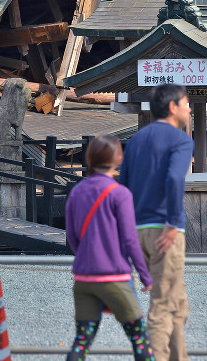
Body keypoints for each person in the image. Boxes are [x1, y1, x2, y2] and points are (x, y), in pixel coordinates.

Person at [120, 83, 194, 361]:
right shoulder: (181, 140)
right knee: (163, 307)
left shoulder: (136, 140)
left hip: (137, 230)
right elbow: (175, 178)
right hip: (164, 231)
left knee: (178, 302)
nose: (189, 109)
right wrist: (172, 223)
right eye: (186, 103)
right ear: (173, 107)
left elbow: (123, 187)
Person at [66, 134, 155, 361]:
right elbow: (130, 240)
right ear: (118, 159)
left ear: (90, 158)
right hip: (114, 278)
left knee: (82, 341)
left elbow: (72, 237)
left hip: (84, 278)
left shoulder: (76, 192)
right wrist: (146, 276)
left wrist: (88, 257)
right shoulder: (119, 193)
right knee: (139, 339)